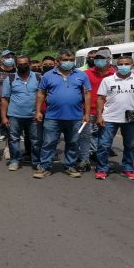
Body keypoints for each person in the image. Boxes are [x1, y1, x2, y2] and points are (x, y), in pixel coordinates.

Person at [34, 50, 91, 179]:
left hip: (75, 117)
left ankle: (70, 166)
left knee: (73, 143)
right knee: (49, 142)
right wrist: (37, 111)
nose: (69, 62)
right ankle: (44, 167)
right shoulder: (48, 75)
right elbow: (41, 93)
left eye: (71, 60)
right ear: (58, 61)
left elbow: (87, 94)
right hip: (52, 116)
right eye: (65, 60)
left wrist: (86, 113)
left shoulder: (81, 75)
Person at [95, 56, 134, 180]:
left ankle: (128, 168)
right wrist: (99, 116)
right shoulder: (107, 80)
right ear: (115, 66)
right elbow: (100, 98)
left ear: (132, 65)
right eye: (120, 64)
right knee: (103, 145)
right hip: (109, 117)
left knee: (130, 145)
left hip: (132, 118)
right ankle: (102, 169)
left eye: (126, 63)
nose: (123, 66)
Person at [78, 49, 116, 171]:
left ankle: (102, 163)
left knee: (104, 140)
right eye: (97, 58)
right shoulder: (86, 74)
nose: (99, 61)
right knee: (85, 137)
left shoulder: (115, 74)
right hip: (88, 111)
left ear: (109, 60)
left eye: (102, 58)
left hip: (108, 112)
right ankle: (84, 160)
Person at [1, 55, 41, 171]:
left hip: (33, 115)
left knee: (35, 140)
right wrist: (4, 117)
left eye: (25, 64)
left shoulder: (38, 77)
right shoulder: (10, 79)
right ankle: (14, 160)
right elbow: (5, 99)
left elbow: (43, 96)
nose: (22, 66)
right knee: (14, 139)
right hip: (15, 115)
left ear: (29, 64)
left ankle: (36, 161)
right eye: (20, 64)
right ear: (16, 65)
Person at [0, 50, 16, 144]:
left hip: (12, 106)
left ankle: (8, 150)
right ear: (1, 59)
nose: (10, 59)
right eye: (7, 57)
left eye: (12, 57)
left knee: (11, 131)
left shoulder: (17, 72)